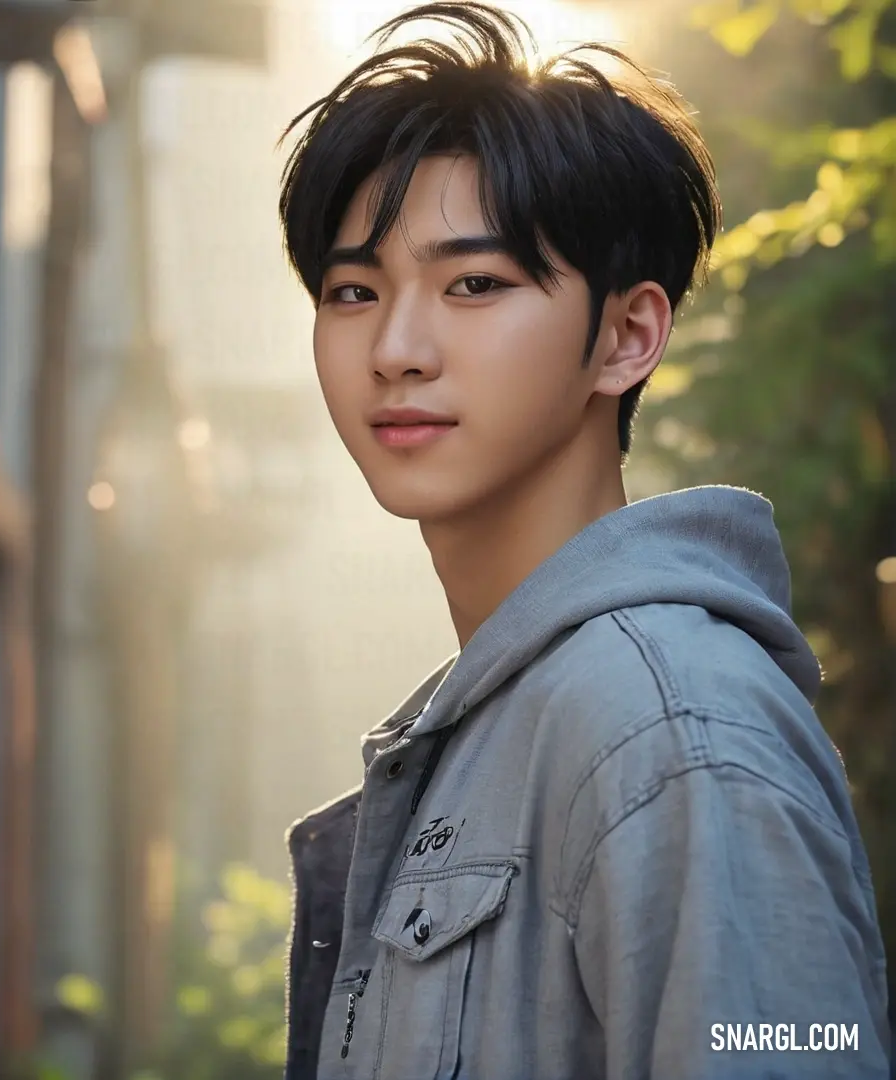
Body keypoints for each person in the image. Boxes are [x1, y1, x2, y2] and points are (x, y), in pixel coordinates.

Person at [276, 3, 890, 1077]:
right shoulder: (509, 722)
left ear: (626, 335)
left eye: (475, 284)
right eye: (353, 291)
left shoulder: (668, 724)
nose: (397, 348)